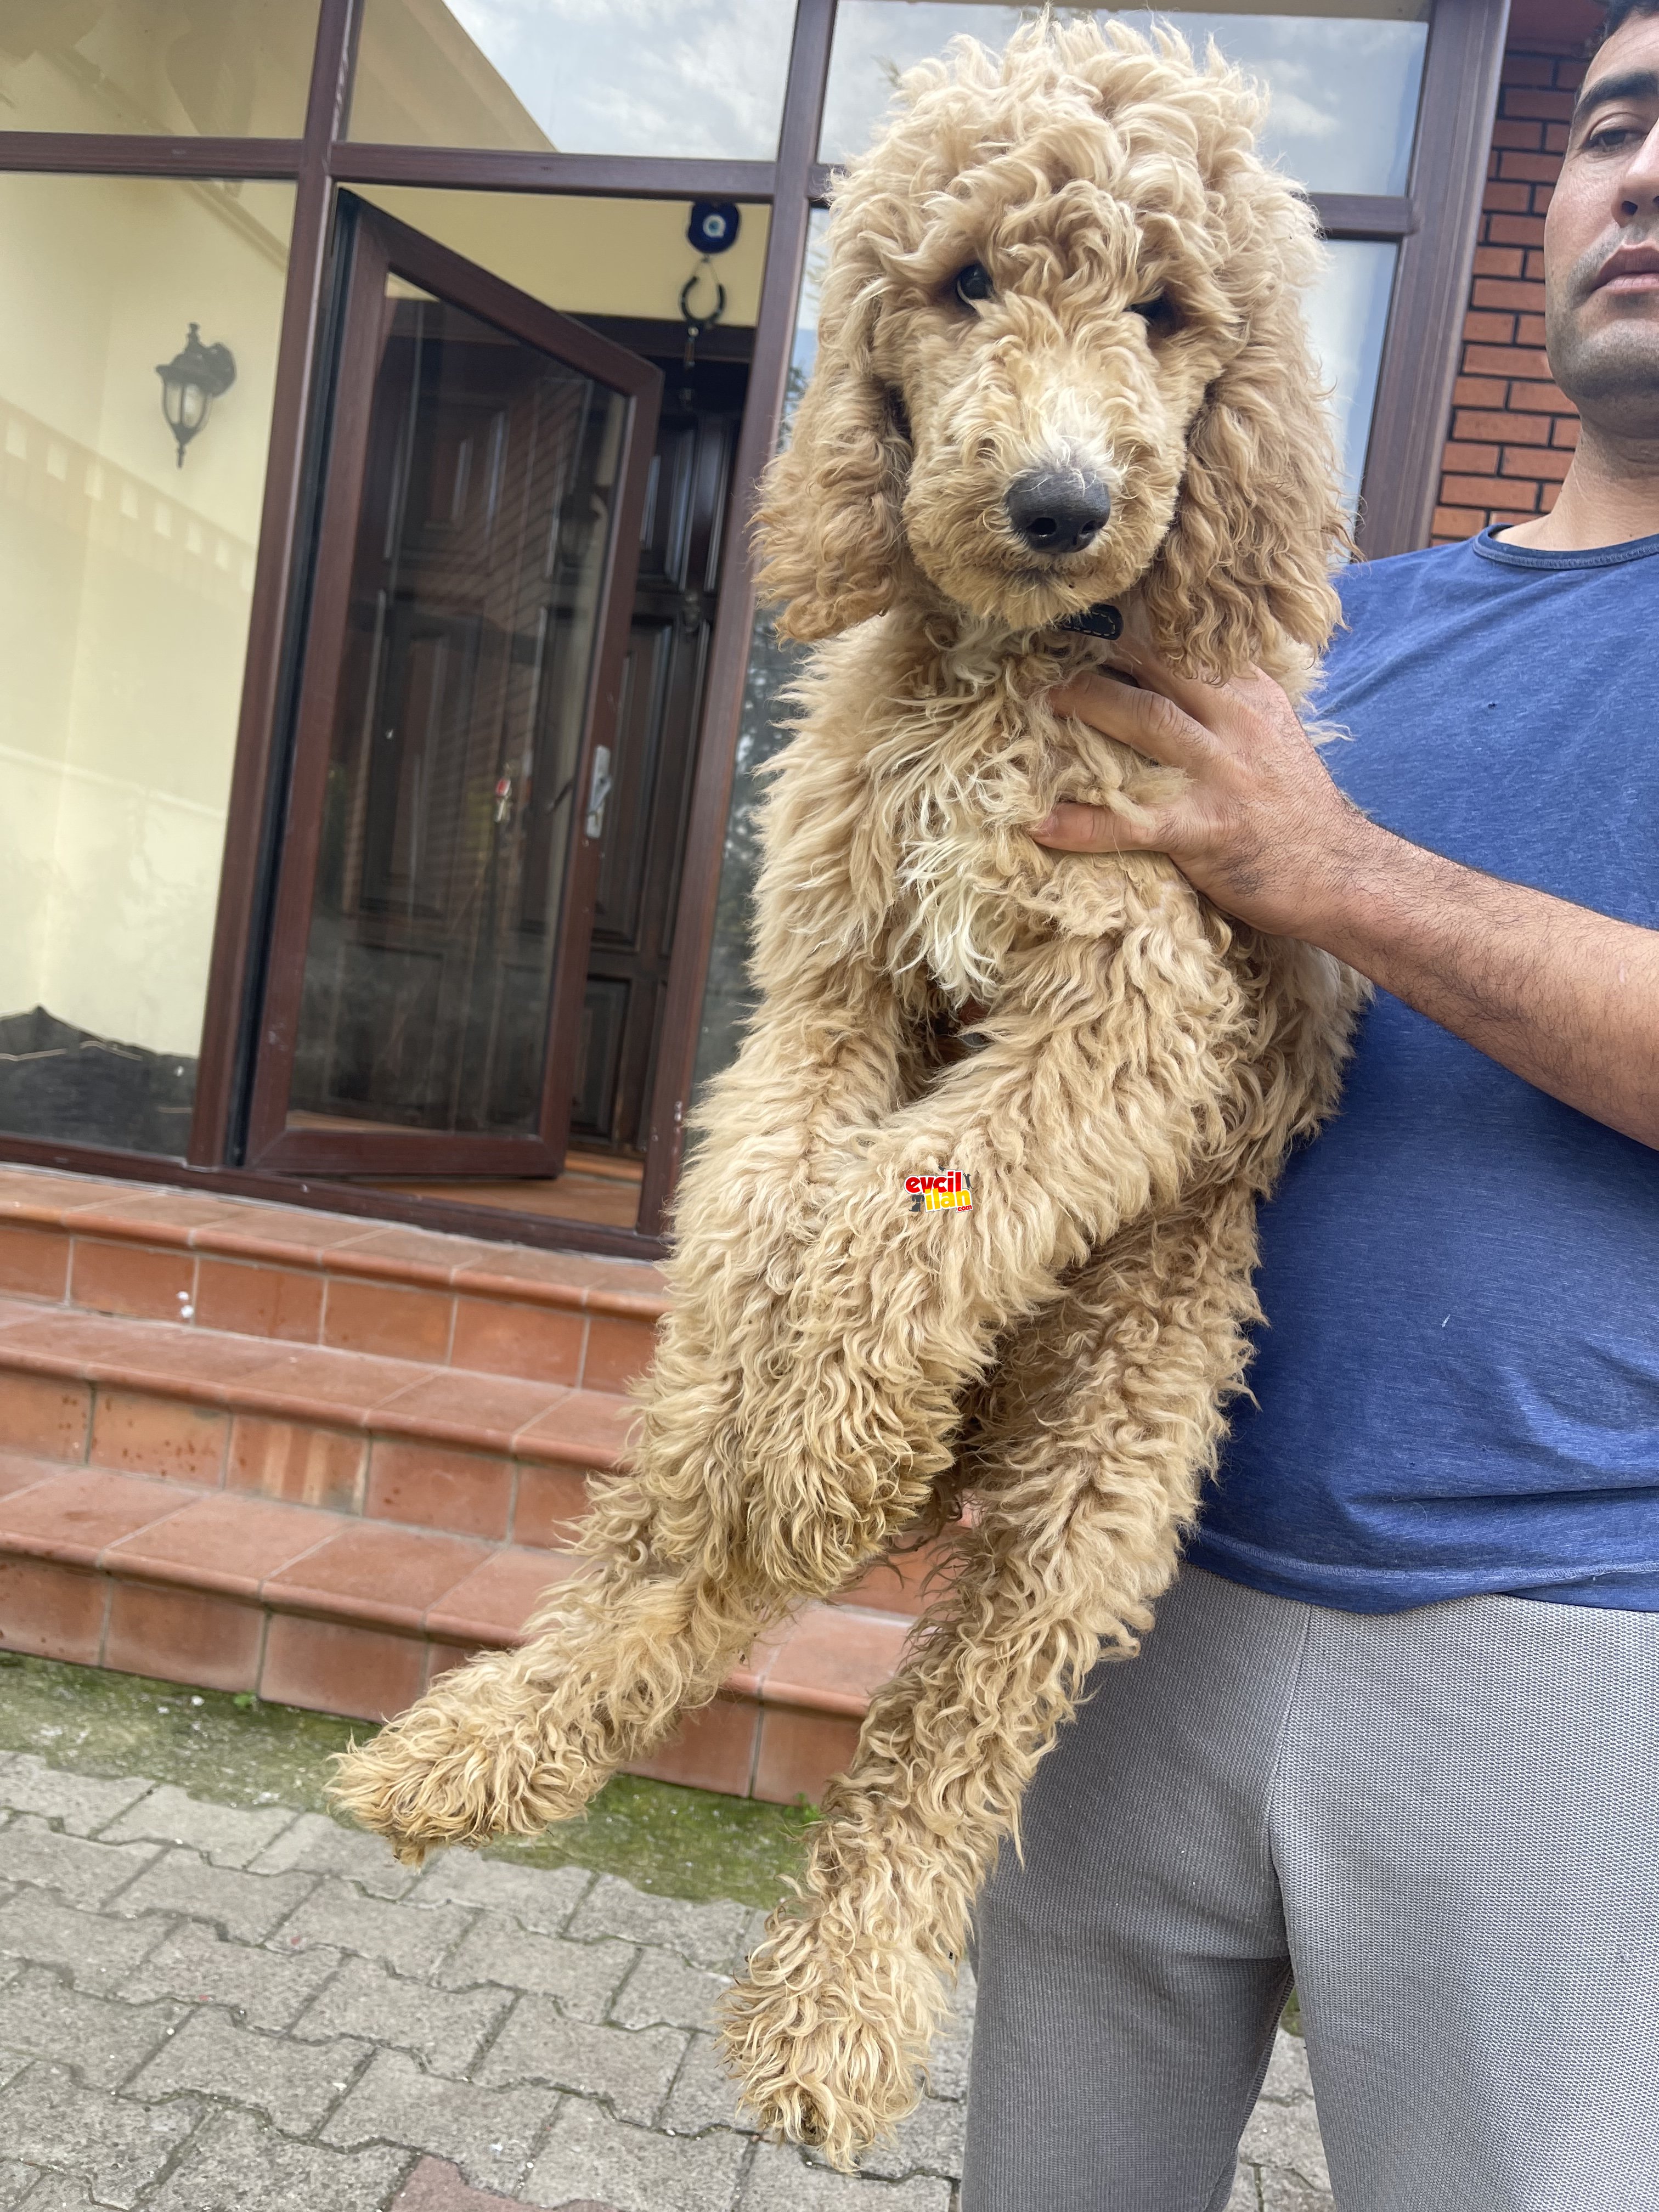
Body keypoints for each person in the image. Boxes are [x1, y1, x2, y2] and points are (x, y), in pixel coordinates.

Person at [962, 4, 1659, 2206]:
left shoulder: (1287, 759)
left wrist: (1340, 873)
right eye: (1621, 129)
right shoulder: (1316, 640)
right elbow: (1035, 1061)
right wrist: (930, 1285)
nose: (1646, 176)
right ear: (1549, 206)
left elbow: (1307, 892)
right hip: (1136, 1593)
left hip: (1555, 1632)